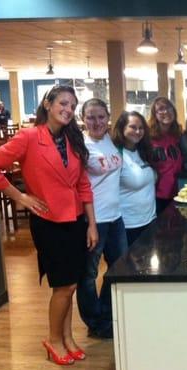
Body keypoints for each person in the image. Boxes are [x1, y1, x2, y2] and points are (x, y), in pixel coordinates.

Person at [0, 85, 98, 365]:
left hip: (75, 220)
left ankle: (67, 336)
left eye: (72, 106)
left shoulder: (72, 139)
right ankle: (53, 339)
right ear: (48, 104)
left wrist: (92, 224)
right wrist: (20, 196)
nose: (68, 109)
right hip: (48, 222)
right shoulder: (29, 137)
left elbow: (84, 184)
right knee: (63, 286)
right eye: (63, 103)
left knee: (70, 285)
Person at [77, 98, 127, 339]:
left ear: (108, 118)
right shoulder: (81, 146)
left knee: (118, 269)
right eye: (90, 117)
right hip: (94, 221)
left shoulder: (110, 140)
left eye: (100, 116)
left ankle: (106, 313)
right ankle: (94, 322)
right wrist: (92, 224)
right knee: (88, 274)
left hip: (116, 218)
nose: (96, 122)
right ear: (83, 119)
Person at [112, 111, 156, 246]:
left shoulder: (144, 151)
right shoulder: (115, 154)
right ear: (122, 128)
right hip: (128, 225)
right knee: (129, 266)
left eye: (141, 128)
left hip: (150, 220)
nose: (138, 131)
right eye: (133, 127)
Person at [147, 97, 183, 214]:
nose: (166, 112)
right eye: (161, 109)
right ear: (155, 114)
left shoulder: (177, 135)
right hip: (156, 196)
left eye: (169, 108)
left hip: (178, 193)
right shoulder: (148, 137)